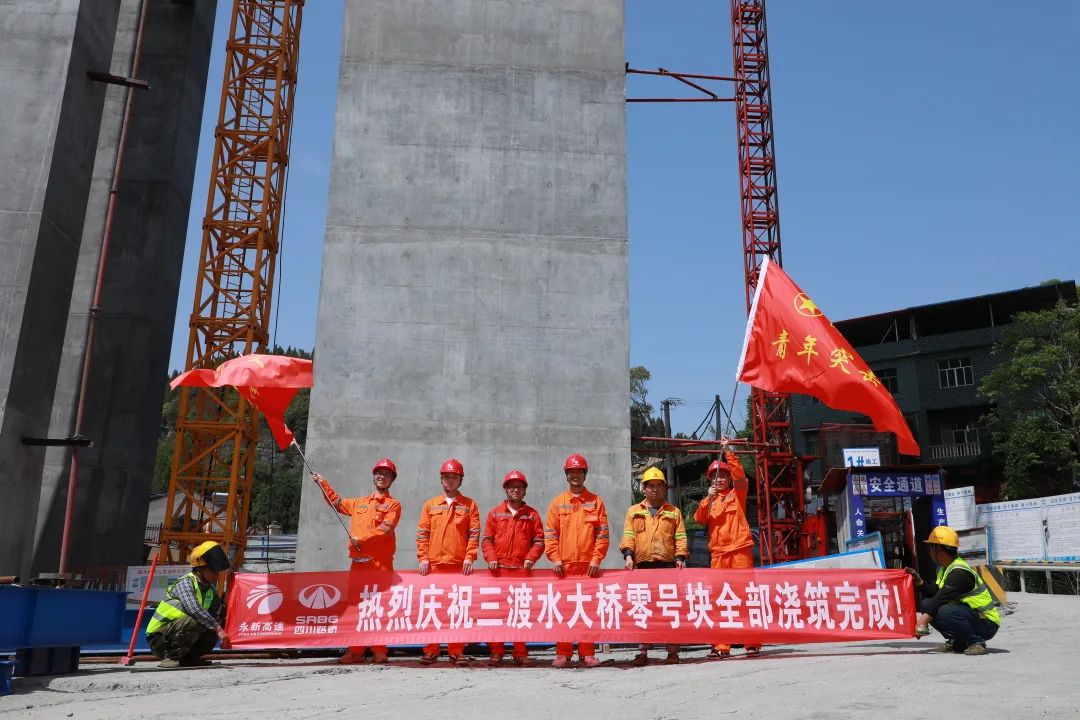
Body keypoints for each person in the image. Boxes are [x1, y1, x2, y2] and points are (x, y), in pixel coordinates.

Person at [314, 457, 402, 664]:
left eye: (386, 474)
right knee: (356, 608)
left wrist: (361, 538)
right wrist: (323, 483)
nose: (382, 476)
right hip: (359, 564)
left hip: (380, 565)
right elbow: (337, 503)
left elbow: (386, 529)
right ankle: (355, 650)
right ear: (374, 477)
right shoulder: (359, 503)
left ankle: (380, 650)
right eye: (379, 473)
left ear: (392, 479)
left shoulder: (393, 505)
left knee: (379, 608)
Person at [544, 452, 610, 668]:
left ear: (585, 475)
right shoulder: (558, 503)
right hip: (564, 569)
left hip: (588, 568)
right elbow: (550, 534)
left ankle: (587, 652)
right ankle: (563, 653)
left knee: (587, 610)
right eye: (571, 472)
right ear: (566, 475)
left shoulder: (595, 502)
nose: (575, 475)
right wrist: (554, 558)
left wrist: (596, 559)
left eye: (579, 472)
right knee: (563, 611)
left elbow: (602, 533)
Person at [694, 447, 761, 658]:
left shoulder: (737, 494)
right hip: (719, 556)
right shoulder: (709, 502)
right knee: (720, 600)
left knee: (745, 596)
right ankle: (721, 646)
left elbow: (741, 477)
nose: (719, 480)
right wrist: (707, 499)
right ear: (709, 482)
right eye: (715, 477)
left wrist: (729, 452)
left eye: (723, 476)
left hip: (740, 552)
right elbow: (699, 519)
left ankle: (752, 642)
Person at [620, 467, 688, 666]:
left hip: (667, 567)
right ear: (644, 489)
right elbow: (628, 536)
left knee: (668, 609)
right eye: (651, 486)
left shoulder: (673, 512)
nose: (655, 490)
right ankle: (643, 652)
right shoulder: (634, 512)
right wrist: (628, 555)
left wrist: (681, 557)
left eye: (659, 486)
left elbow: (681, 537)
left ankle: (672, 651)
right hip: (642, 567)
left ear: (664, 488)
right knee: (643, 610)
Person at [416, 458, 481, 666]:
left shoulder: (469, 505)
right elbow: (422, 534)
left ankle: (456, 650)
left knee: (458, 609)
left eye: (454, 477)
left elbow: (474, 534)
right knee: (432, 609)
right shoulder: (431, 505)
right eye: (447, 477)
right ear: (441, 479)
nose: (450, 480)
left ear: (460, 480)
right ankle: (431, 649)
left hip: (458, 568)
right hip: (434, 567)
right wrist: (423, 557)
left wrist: (470, 556)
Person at [481, 469, 545, 666]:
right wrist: (491, 558)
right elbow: (487, 540)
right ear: (506, 490)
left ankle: (520, 651)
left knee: (520, 613)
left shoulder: (532, 515)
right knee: (497, 614)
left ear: (525, 491)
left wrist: (530, 558)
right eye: (512, 487)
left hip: (521, 572)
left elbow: (539, 541)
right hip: (498, 572)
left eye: (519, 487)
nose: (515, 490)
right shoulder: (495, 513)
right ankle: (497, 651)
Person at [905, 526, 1000, 656]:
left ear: (937, 548)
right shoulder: (944, 568)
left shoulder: (960, 572)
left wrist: (922, 622)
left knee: (945, 610)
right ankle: (957, 641)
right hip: (971, 616)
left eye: (930, 547)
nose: (929, 552)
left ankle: (976, 643)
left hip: (987, 623)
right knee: (927, 603)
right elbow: (938, 592)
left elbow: (940, 598)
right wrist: (919, 582)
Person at [145, 541, 230, 668]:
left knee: (217, 619)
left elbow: (220, 611)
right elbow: (194, 609)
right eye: (213, 570)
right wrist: (218, 629)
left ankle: (190, 658)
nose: (217, 575)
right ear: (200, 568)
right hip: (159, 639)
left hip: (178, 633)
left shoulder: (210, 591)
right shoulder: (185, 583)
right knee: (196, 620)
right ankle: (170, 657)